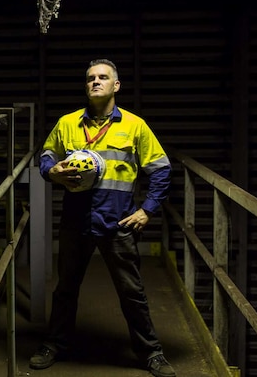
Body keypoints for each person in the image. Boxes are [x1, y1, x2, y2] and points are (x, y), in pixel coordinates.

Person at [30, 59, 176, 377]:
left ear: (116, 85)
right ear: (86, 86)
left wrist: (147, 209)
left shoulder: (135, 126)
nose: (96, 82)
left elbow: (162, 169)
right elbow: (46, 156)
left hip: (118, 222)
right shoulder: (68, 123)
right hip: (75, 221)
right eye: (91, 78)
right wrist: (51, 171)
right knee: (66, 288)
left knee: (131, 292)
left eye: (103, 77)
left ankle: (151, 353)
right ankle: (54, 345)